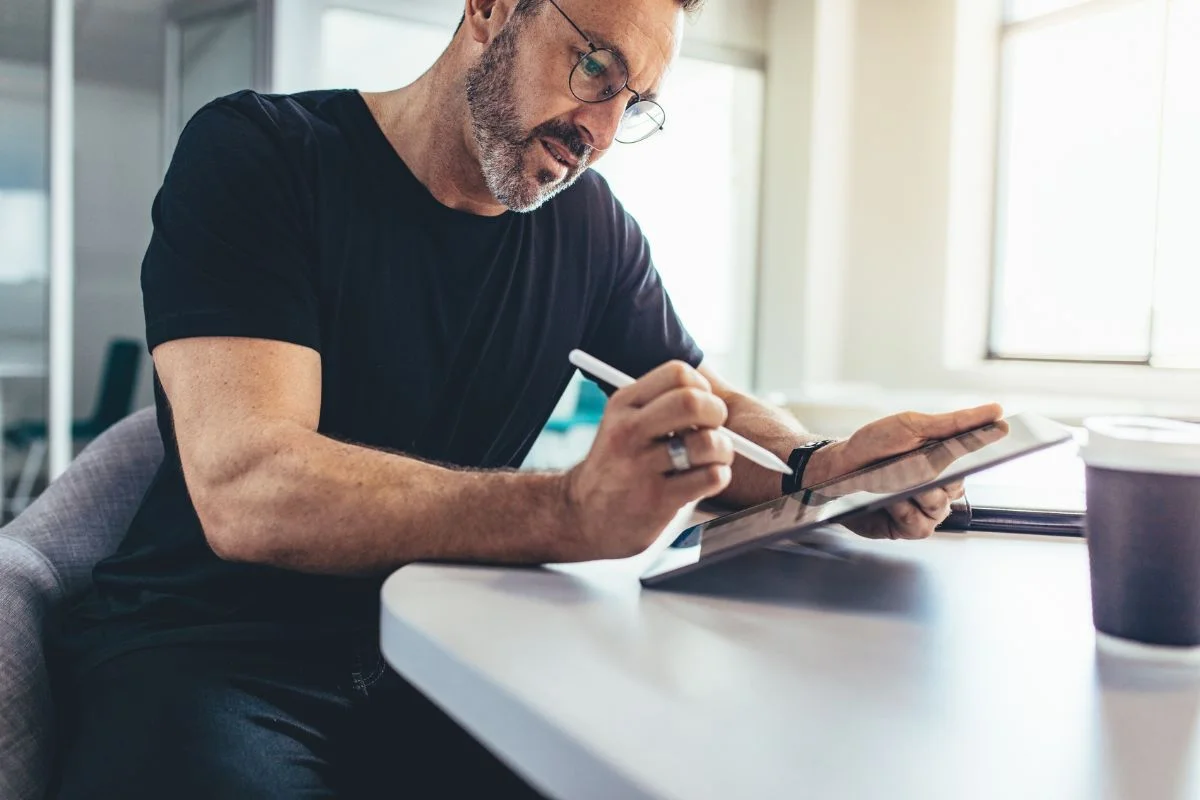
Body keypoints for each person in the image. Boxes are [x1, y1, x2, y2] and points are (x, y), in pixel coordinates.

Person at [51, 0, 1002, 797]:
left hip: (441, 652)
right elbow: (249, 488)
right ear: (491, 8)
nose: (599, 129)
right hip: (208, 656)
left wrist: (819, 467)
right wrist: (566, 510)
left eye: (634, 103)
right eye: (595, 66)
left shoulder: (589, 229)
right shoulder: (261, 154)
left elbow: (699, 403)